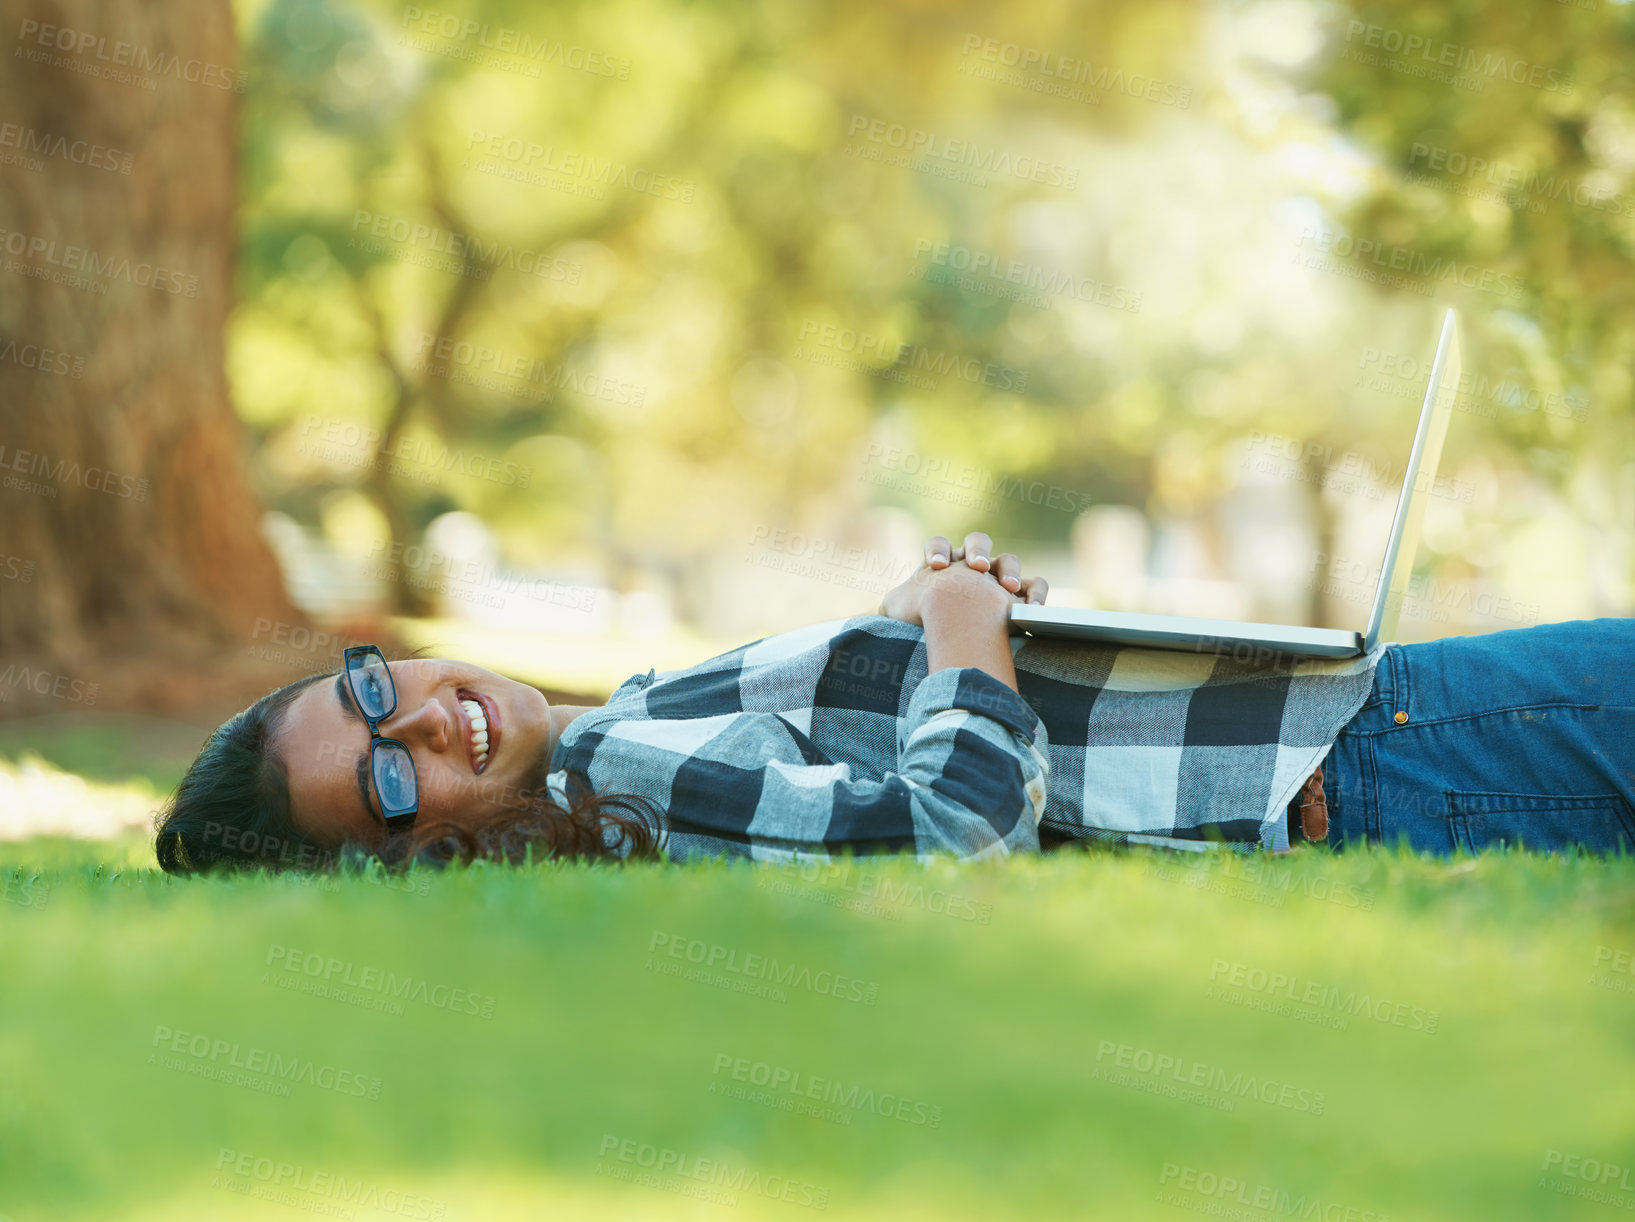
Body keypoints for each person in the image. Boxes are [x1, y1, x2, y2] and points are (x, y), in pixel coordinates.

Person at [153, 532, 1635, 875]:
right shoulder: (615, 773)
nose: (420, 721)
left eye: (366, 691)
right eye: (389, 779)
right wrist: (965, 628)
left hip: (1340, 741)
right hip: (1353, 765)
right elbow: (952, 834)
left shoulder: (629, 722)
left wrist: (932, 618)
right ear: (419, 855)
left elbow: (859, 762)